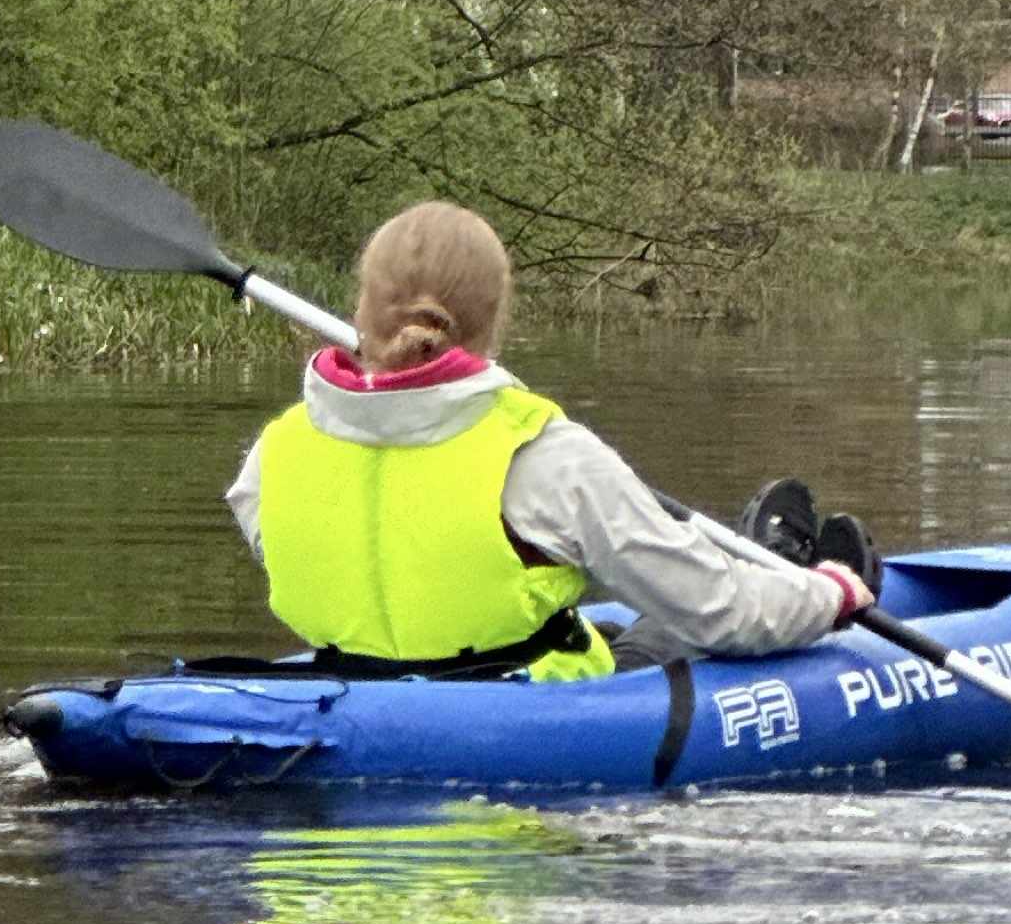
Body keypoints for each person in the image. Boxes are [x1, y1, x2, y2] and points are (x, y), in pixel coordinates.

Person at [225, 199, 877, 678]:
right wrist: (833, 597)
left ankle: (770, 560)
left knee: (624, 614)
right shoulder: (546, 457)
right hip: (526, 712)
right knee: (672, 627)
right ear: (495, 321)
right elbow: (719, 614)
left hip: (350, 700)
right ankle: (792, 570)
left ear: (361, 308)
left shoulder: (273, 455)